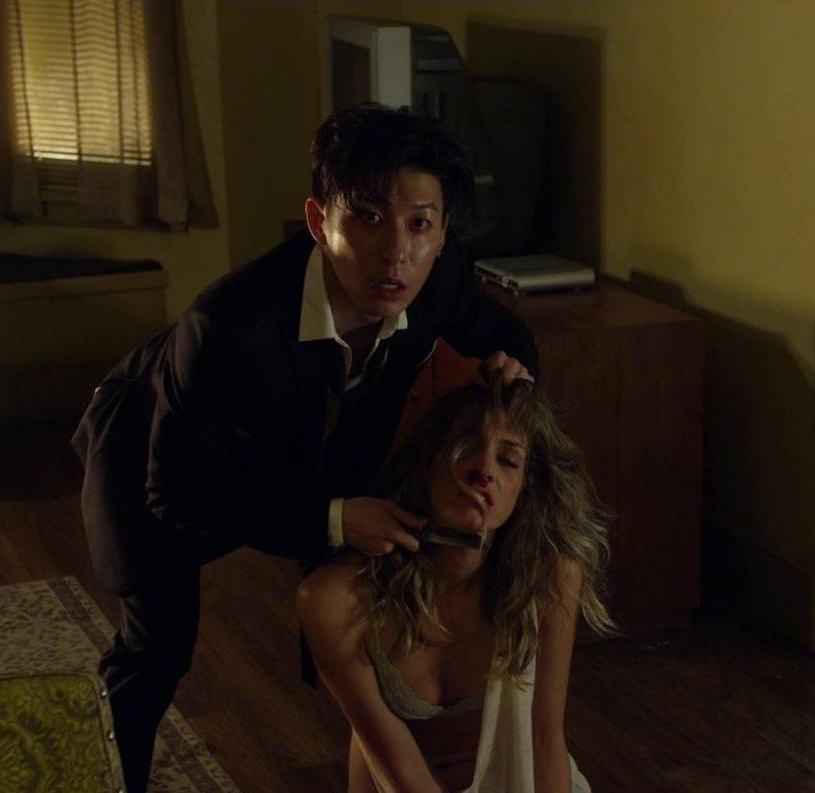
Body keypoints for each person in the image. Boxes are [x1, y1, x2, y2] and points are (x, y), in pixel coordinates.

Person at [72, 104, 538, 793]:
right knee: (155, 651)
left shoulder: (436, 278)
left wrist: (511, 377)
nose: (396, 253)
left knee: (356, 610)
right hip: (154, 453)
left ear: (443, 232)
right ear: (320, 221)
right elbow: (178, 492)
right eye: (369, 217)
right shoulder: (226, 324)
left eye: (419, 223)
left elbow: (511, 338)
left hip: (292, 448)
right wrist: (336, 517)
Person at [298, 374, 613, 793]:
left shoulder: (549, 572)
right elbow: (398, 768)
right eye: (465, 446)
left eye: (508, 460)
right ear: (426, 464)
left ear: (524, 488)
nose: (484, 471)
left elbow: (543, 737)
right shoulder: (332, 598)